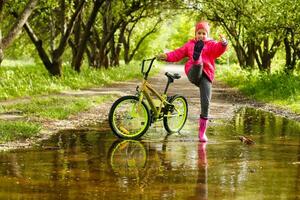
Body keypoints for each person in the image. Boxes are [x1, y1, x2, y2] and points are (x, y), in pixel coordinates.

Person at [156, 20, 228, 142]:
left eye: (204, 33)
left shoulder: (211, 44)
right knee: (198, 64)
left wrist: (223, 43)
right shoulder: (189, 44)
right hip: (193, 72)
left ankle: (202, 133)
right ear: (195, 34)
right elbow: (177, 53)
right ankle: (197, 58)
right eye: (199, 33)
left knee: (206, 103)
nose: (201, 35)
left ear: (207, 35)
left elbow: (218, 50)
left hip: (206, 76)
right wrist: (166, 56)